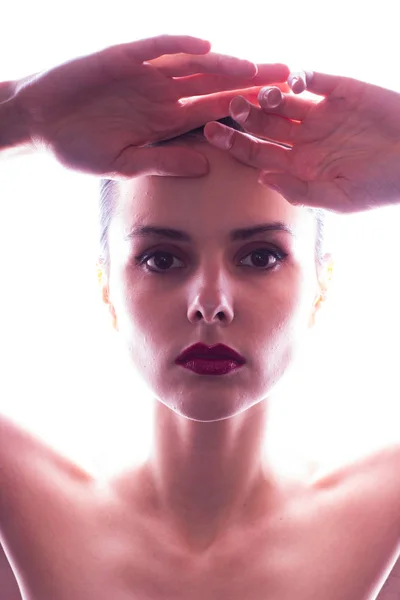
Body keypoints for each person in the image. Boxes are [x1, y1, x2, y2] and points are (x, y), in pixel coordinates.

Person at [1, 33, 400, 600]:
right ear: (105, 286)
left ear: (321, 284)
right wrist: (21, 114)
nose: (210, 301)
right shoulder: (15, 500)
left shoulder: (389, 519)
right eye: (162, 258)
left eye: (260, 256)